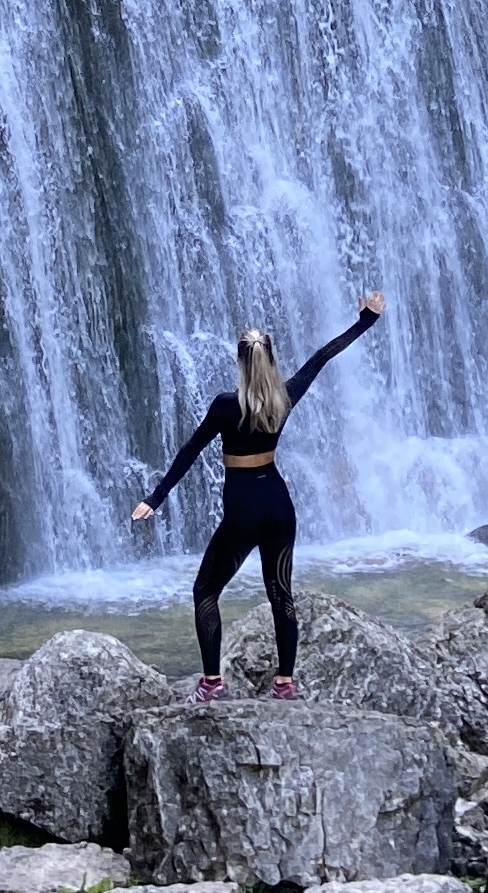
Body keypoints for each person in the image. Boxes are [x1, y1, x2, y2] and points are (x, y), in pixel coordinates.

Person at [131, 293, 384, 699]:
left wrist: (155, 498)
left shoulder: (225, 407)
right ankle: (285, 683)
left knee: (205, 591)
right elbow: (323, 356)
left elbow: (190, 452)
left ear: (240, 362)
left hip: (243, 511)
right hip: (279, 507)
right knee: (281, 592)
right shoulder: (285, 398)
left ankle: (212, 683)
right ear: (270, 361)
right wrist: (367, 320)